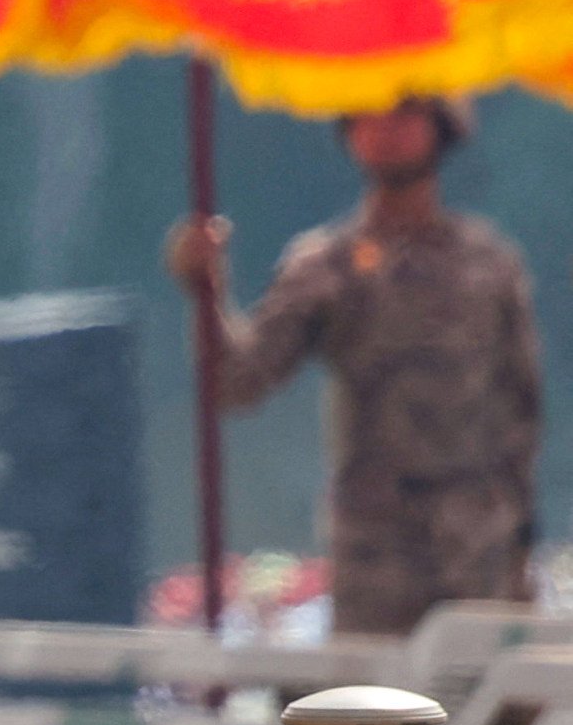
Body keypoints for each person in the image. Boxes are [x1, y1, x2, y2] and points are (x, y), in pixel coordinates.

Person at [165, 97, 542, 636]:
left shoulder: (491, 264)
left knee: (488, 712)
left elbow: (522, 415)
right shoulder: (326, 266)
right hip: (377, 559)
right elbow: (235, 382)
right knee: (376, 712)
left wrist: (521, 549)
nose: (386, 131)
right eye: (369, 114)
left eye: (405, 113)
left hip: (482, 555)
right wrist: (206, 293)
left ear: (439, 126)